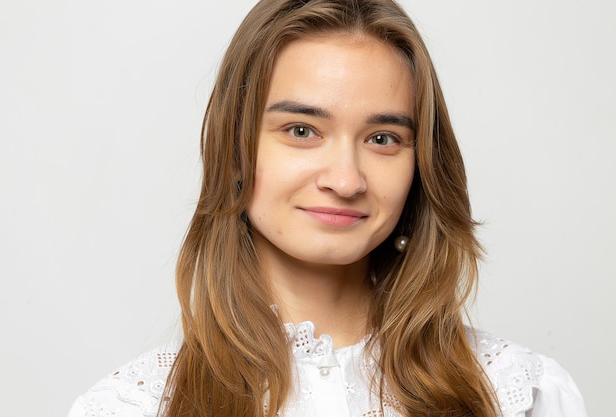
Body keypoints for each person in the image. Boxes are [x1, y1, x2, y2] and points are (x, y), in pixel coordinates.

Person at [68, 0, 587, 416]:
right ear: (236, 149)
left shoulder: (522, 397)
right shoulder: (131, 407)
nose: (345, 180)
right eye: (301, 131)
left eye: (383, 138)